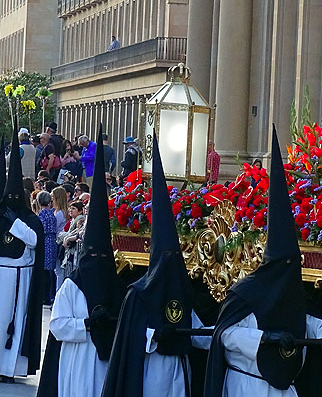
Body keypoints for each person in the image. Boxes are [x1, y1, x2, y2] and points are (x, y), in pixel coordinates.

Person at [204, 128, 322, 397]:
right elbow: (226, 335)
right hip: (248, 385)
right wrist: (264, 338)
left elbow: (311, 326)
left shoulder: (290, 294)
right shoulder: (246, 294)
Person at [102, 136, 213, 397]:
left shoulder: (182, 292)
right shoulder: (138, 294)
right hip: (150, 371)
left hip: (178, 369)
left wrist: (222, 335)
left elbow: (196, 331)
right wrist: (155, 337)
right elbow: (130, 337)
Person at [43, 129, 126, 397]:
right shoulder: (71, 286)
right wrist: (87, 326)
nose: (98, 263)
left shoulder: (118, 289)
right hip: (77, 360)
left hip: (106, 363)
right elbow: (57, 325)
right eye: (94, 258)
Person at [0, 127, 48, 379]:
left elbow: (35, 241)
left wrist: (15, 222)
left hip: (18, 280)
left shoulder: (28, 221)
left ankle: (7, 370)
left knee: (11, 326)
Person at [37, 191, 59, 305]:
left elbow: (41, 229)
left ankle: (45, 296)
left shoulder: (42, 214)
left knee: (45, 271)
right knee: (49, 271)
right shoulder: (51, 213)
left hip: (45, 241)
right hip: (52, 241)